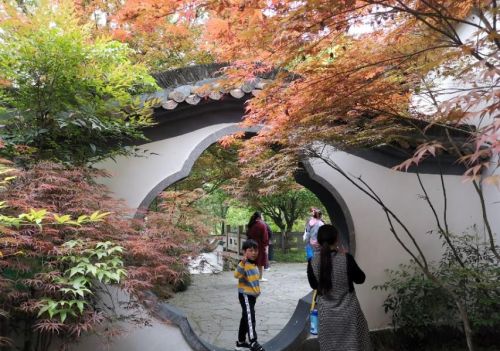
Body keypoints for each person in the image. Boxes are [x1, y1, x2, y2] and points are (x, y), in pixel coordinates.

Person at [307, 224, 371, 351]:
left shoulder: (312, 262)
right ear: (337, 239)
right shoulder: (346, 259)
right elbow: (360, 279)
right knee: (353, 346)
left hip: (327, 315)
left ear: (318, 241)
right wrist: (348, 259)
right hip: (349, 313)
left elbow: (314, 285)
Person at [234, 240, 266, 351]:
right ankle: (253, 341)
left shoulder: (254, 265)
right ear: (244, 252)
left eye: (255, 250)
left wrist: (257, 293)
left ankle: (241, 342)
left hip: (252, 296)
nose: (253, 253)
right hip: (245, 295)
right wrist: (242, 263)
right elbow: (236, 275)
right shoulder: (244, 264)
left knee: (245, 317)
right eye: (250, 250)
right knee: (250, 317)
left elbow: (254, 282)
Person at [246, 212, 269, 281]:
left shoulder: (251, 224)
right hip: (260, 246)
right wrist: (266, 246)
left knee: (252, 261)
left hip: (251, 245)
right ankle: (260, 277)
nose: (263, 217)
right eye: (262, 215)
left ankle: (250, 277)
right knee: (260, 262)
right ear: (259, 217)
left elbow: (248, 235)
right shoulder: (262, 224)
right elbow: (265, 237)